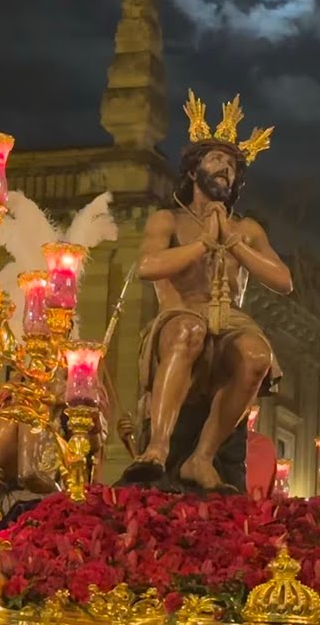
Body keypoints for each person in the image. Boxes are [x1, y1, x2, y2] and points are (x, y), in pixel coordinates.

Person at [120, 90, 292, 492]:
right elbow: (147, 266)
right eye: (216, 160)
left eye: (232, 165)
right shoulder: (168, 221)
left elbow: (284, 281)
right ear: (194, 170)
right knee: (188, 333)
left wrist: (230, 241)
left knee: (257, 355)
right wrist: (203, 243)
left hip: (232, 319)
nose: (225, 169)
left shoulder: (246, 231)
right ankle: (159, 447)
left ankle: (201, 457)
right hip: (181, 313)